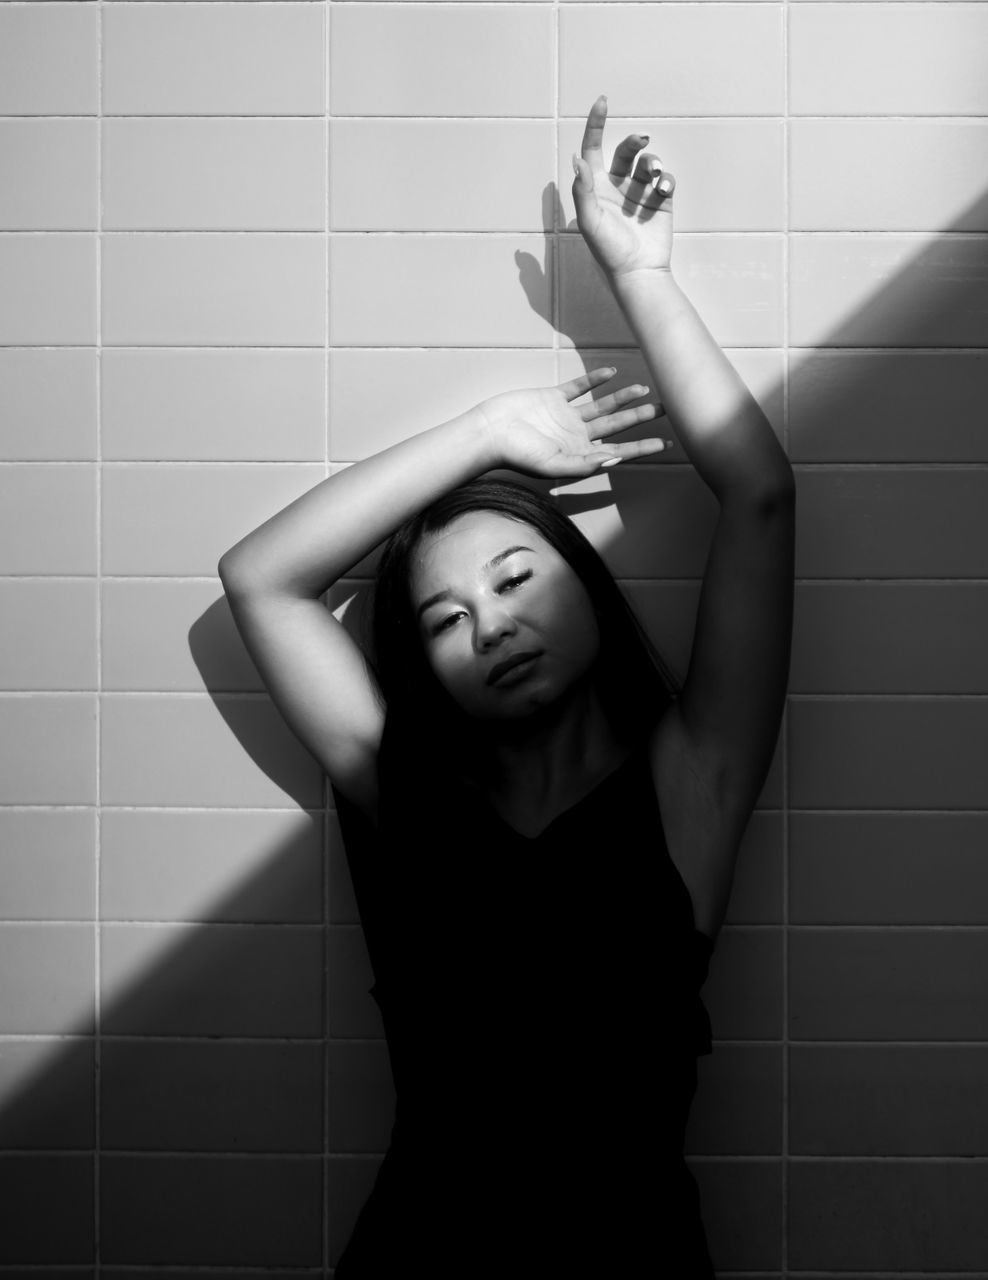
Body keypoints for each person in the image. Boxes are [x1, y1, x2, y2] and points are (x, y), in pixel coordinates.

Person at [219, 96, 794, 1276]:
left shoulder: (690, 786)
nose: (492, 625)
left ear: (586, 578)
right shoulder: (404, 792)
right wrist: (487, 432)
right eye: (444, 618)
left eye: (517, 575)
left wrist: (636, 275)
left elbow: (760, 494)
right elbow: (261, 580)